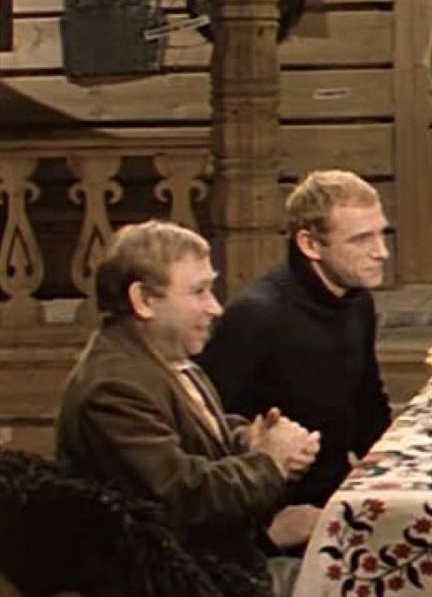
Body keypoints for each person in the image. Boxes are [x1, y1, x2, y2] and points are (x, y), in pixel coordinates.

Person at [55, 220, 322, 597]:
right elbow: (185, 496)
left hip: (223, 562)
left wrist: (248, 438)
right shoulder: (112, 388)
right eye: (199, 291)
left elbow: (197, 433)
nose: (215, 307)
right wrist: (270, 462)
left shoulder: (166, 358)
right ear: (143, 300)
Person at [199, 169, 393, 508]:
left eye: (381, 234)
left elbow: (368, 407)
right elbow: (206, 432)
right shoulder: (255, 315)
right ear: (310, 244)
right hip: (271, 506)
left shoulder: (357, 301)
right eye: (362, 239)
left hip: (334, 495)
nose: (382, 252)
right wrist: (271, 522)